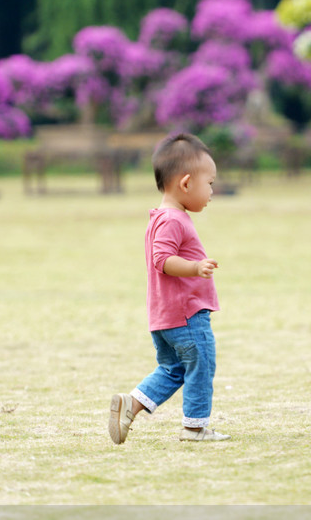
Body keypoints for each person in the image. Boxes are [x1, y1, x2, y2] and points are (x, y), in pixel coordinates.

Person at [108, 132, 231, 443]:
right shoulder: (174, 220)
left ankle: (130, 405)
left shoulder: (161, 217)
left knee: (173, 370)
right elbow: (162, 260)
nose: (213, 191)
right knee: (201, 365)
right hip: (187, 316)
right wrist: (194, 268)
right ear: (187, 184)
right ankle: (195, 427)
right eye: (210, 183)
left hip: (165, 317)